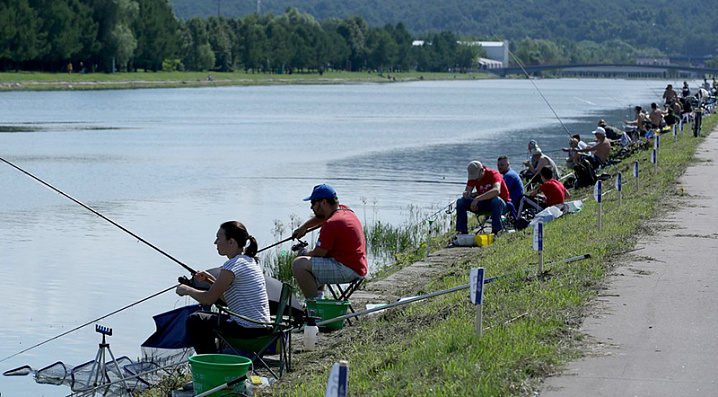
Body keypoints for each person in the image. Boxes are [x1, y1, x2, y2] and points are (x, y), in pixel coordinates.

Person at [176, 221, 271, 354]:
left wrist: (186, 290)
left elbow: (208, 299)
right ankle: (214, 361)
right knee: (203, 319)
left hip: (247, 330)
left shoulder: (233, 265)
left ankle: (210, 364)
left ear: (231, 242)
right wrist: (210, 280)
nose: (215, 242)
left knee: (195, 320)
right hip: (262, 330)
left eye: (218, 238)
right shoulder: (249, 261)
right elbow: (228, 300)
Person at [291, 184, 367, 299]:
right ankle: (319, 300)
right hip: (358, 266)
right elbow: (322, 217)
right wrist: (304, 227)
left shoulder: (331, 224)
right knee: (317, 261)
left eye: (313, 203)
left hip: (348, 270)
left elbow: (319, 253)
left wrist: (303, 252)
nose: (311, 207)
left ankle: (315, 308)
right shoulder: (345, 210)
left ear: (324, 202)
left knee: (299, 264)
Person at [455, 161, 510, 236]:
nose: (475, 179)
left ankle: (496, 230)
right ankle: (462, 232)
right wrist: (467, 194)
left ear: (482, 170)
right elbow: (468, 190)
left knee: (496, 200)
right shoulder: (473, 178)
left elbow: (496, 191)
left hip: (501, 205)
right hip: (483, 203)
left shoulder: (493, 174)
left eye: (476, 176)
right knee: (461, 201)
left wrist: (477, 199)